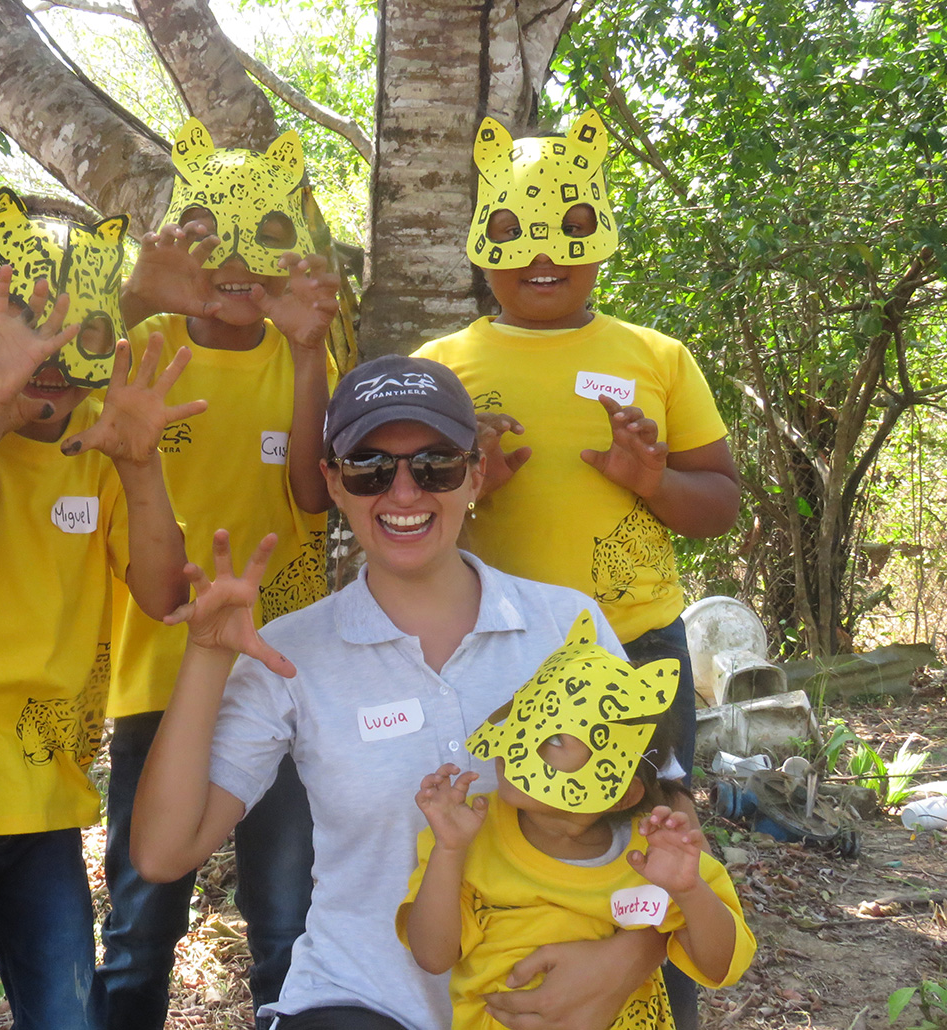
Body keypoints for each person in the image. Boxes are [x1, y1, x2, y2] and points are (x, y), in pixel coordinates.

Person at [132, 354, 683, 1030]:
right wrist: (207, 655)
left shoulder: (565, 624)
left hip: (546, 1002)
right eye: (369, 468)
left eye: (435, 466)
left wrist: (631, 956)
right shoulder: (293, 651)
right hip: (361, 999)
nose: (403, 494)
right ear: (333, 483)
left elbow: (665, 816)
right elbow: (163, 854)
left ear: (476, 473)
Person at [412, 109, 741, 1030]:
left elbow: (720, 500)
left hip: (637, 649)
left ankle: (653, 1004)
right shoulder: (442, 367)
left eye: (566, 231)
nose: (540, 255)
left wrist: (654, 480)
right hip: (495, 659)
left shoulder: (656, 357)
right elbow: (410, 512)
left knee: (653, 840)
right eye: (511, 233)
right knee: (508, 850)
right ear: (481, 244)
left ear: (601, 236)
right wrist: (467, 476)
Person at [0, 186, 200, 1030]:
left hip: (44, 804)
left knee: (67, 1013)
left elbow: (166, 595)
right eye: (32, 327)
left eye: (83, 333)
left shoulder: (97, 437)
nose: (52, 359)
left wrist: (139, 465)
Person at [95, 118, 340, 1030]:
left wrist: (314, 352)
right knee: (139, 925)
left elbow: (315, 496)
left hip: (281, 681)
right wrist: (129, 298)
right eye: (208, 231)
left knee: (286, 924)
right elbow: (46, 387)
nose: (236, 261)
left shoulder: (306, 347)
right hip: (159, 673)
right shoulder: (145, 343)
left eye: (266, 236)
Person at [400, 612, 756, 1030]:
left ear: (624, 792)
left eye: (553, 738)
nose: (520, 744)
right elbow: (432, 955)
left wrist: (690, 891)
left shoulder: (655, 854)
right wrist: (448, 851)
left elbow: (720, 968)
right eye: (523, 718)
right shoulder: (468, 835)